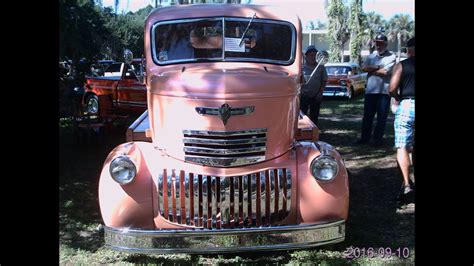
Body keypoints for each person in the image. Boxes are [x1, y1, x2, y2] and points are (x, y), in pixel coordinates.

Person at [355, 34, 396, 146]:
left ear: (386, 43)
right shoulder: (371, 56)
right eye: (377, 42)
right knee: (367, 117)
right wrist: (378, 67)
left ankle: (377, 140)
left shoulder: (391, 56)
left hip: (384, 92)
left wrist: (371, 69)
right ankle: (364, 138)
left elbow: (385, 72)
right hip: (370, 92)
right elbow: (363, 68)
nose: (378, 45)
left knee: (381, 118)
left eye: (381, 43)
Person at [389, 37, 415, 205]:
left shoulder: (402, 65)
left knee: (402, 146)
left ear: (409, 50)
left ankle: (406, 184)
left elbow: (391, 88)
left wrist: (398, 97)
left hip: (407, 104)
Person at [300, 45, 327, 126]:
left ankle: (314, 132)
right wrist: (300, 91)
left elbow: (324, 80)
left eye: (315, 55)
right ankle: (303, 131)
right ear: (306, 56)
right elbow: (298, 81)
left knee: (314, 116)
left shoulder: (321, 67)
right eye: (311, 55)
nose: (313, 57)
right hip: (303, 95)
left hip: (316, 95)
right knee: (302, 115)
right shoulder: (301, 67)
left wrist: (320, 92)